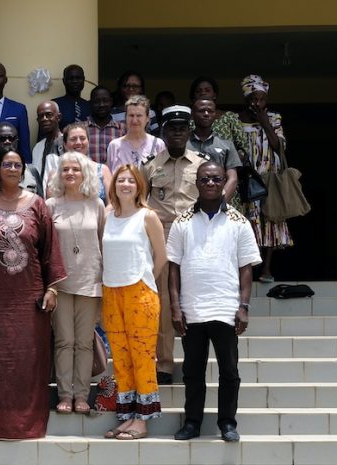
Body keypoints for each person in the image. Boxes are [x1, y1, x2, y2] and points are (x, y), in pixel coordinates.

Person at [0, 150, 66, 440]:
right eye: (6, 164)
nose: (12, 168)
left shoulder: (37, 205)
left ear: (24, 170)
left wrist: (52, 288)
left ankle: (27, 425)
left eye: (17, 165)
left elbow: (50, 250)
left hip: (29, 299)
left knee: (28, 360)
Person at [167, 162, 261, 442]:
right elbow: (173, 267)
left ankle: (227, 423)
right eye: (205, 178)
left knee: (229, 371)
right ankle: (192, 423)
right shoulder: (182, 221)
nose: (210, 183)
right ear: (197, 182)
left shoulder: (239, 221)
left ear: (224, 183)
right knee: (193, 371)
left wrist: (243, 307)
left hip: (226, 307)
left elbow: (246, 267)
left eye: (215, 178)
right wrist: (175, 306)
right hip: (192, 309)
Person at [141, 105, 208, 385]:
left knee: (195, 303)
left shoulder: (203, 164)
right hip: (163, 237)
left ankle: (196, 363)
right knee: (166, 304)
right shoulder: (150, 166)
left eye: (182, 127)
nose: (178, 132)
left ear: (189, 130)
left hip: (196, 236)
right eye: (172, 128)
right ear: (163, 132)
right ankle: (165, 365)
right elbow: (141, 204)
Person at [100, 164, 166, 440]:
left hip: (140, 291)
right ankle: (126, 416)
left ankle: (143, 418)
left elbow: (162, 256)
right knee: (121, 358)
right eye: (120, 181)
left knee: (142, 357)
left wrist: (146, 279)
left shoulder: (147, 216)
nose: (125, 185)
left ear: (139, 185)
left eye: (130, 181)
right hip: (111, 291)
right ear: (113, 185)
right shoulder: (107, 215)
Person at [44, 151, 105, 415]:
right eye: (65, 169)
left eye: (75, 169)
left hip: (91, 281)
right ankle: (65, 394)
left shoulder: (97, 205)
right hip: (61, 283)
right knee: (64, 341)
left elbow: (103, 242)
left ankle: (82, 394)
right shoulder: (51, 205)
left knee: (84, 342)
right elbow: (45, 248)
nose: (70, 173)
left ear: (85, 173)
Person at [237, 74, 293, 282]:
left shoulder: (274, 118)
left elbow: (279, 146)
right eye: (253, 99)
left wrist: (264, 121)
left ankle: (267, 269)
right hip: (247, 179)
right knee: (247, 222)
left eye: (261, 99)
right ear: (246, 100)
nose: (257, 103)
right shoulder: (236, 120)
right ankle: (248, 269)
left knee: (270, 218)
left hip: (270, 177)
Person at [188, 98, 241, 202]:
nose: (206, 114)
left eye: (210, 111)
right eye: (201, 111)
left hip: (218, 205)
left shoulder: (227, 145)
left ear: (215, 115)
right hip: (188, 203)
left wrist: (220, 204)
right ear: (193, 114)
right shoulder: (183, 145)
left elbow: (233, 178)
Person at [48, 123, 112, 200]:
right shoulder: (55, 173)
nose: (78, 142)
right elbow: (50, 206)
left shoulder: (103, 170)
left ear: (88, 142)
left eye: (82, 138)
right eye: (73, 139)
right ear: (65, 144)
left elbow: (112, 204)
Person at [188, 75, 247, 154]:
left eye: (207, 90)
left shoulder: (229, 117)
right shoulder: (187, 119)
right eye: (198, 91)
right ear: (193, 97)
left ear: (214, 95)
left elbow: (243, 147)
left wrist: (230, 163)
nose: (203, 93)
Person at [107, 95, 165, 173]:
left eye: (139, 116)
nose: (134, 120)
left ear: (147, 118)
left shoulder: (158, 144)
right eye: (131, 115)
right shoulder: (114, 146)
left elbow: (162, 176)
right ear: (125, 117)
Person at [30, 101, 64, 195]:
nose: (44, 119)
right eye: (41, 116)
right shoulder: (37, 147)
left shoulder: (67, 143)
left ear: (59, 117)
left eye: (49, 115)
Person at [85, 85, 124, 165]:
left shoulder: (123, 129)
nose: (101, 105)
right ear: (90, 103)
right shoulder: (81, 129)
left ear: (111, 102)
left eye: (105, 100)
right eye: (97, 101)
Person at [53, 64, 91, 129]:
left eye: (78, 78)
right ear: (64, 81)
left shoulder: (90, 106)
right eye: (71, 78)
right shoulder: (54, 105)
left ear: (83, 80)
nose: (75, 81)